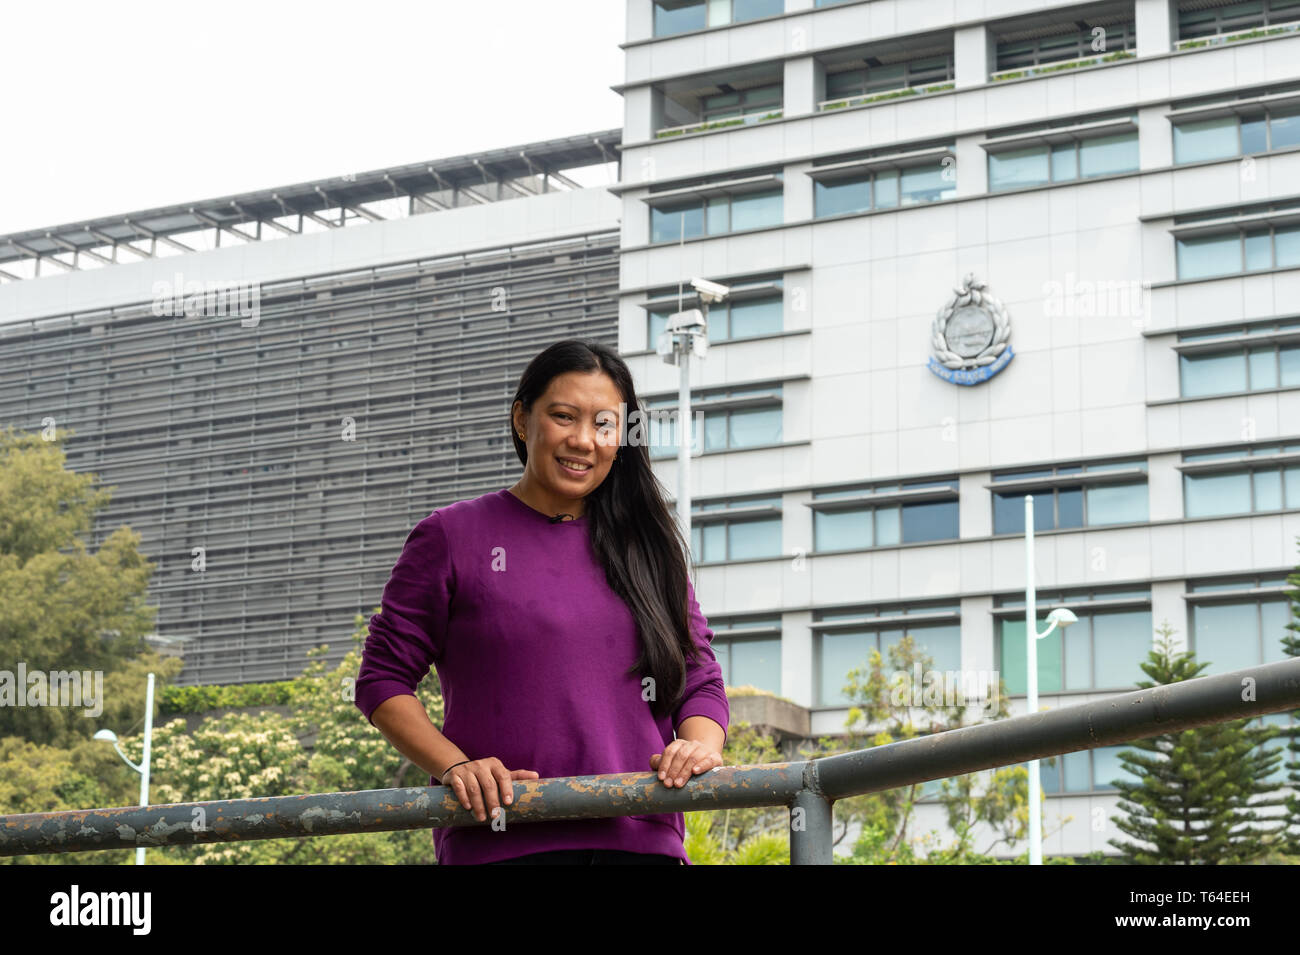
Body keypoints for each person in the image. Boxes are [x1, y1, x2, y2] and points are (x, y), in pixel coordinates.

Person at [354, 339, 729, 865]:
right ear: (521, 419)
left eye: (604, 424)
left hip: (645, 844)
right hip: (501, 842)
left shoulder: (650, 548)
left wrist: (700, 745)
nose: (583, 440)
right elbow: (382, 681)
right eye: (562, 416)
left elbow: (699, 678)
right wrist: (455, 766)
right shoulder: (452, 536)